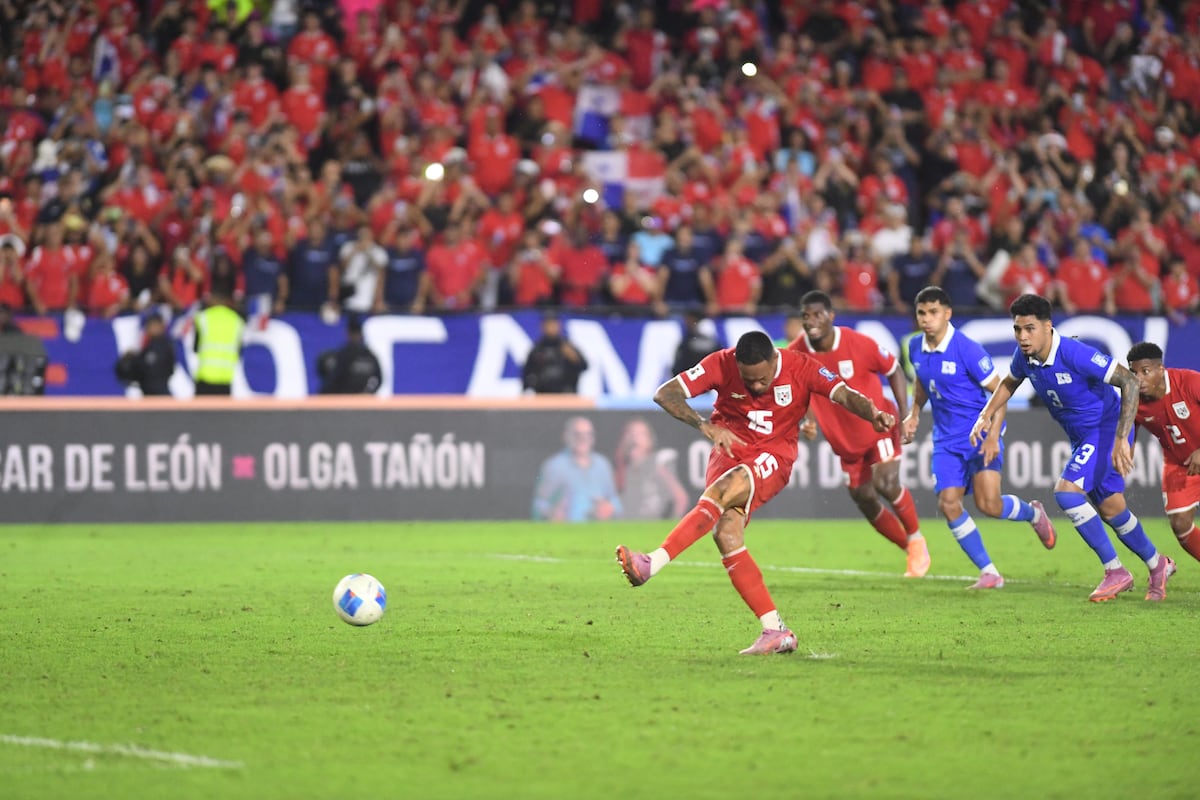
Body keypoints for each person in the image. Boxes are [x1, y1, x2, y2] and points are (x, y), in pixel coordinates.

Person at [615, 331, 896, 655]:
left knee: (723, 491)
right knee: (726, 534)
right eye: (749, 381)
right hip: (728, 452)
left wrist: (873, 413)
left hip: (774, 454)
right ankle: (776, 630)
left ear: (775, 359)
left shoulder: (802, 367)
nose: (757, 387)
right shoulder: (721, 362)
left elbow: (844, 394)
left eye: (763, 379)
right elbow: (665, 394)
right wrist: (704, 425)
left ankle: (651, 563)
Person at [971, 295, 1176, 602]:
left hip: (1105, 430)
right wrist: (986, 414)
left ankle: (1115, 571)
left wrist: (1122, 437)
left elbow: (1129, 382)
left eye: (1029, 329)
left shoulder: (1074, 353)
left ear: (1048, 326)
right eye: (1017, 329)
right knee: (1112, 509)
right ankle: (1158, 564)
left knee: (1067, 492)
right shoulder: (1024, 357)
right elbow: (1010, 382)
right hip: (1081, 437)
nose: (1023, 337)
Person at [902, 286, 1057, 589]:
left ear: (947, 314)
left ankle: (1032, 513)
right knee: (949, 503)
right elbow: (921, 381)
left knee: (989, 505)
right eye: (921, 313)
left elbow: (1001, 391)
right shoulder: (915, 346)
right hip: (945, 441)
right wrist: (914, 413)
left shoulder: (967, 349)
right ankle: (989, 572)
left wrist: (992, 436)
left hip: (978, 435)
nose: (926, 319)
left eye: (933, 312)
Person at [789, 290, 930, 577]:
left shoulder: (857, 343)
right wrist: (808, 420)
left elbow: (893, 369)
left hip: (879, 426)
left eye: (817, 315)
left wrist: (905, 414)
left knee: (886, 483)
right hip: (845, 442)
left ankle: (916, 539)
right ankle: (910, 548)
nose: (811, 321)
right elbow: (800, 389)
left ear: (831, 316)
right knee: (863, 497)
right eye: (806, 316)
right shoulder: (796, 353)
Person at [1127, 342, 1200, 563]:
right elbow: (1127, 437)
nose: (1138, 379)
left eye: (1145, 371)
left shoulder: (1189, 382)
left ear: (1161, 369)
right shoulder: (1133, 400)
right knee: (1180, 524)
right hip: (1179, 464)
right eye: (1133, 373)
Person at [531, 416, 622, 522]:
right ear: (566, 436)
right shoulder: (554, 466)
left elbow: (615, 501)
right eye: (577, 434)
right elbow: (538, 504)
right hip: (567, 530)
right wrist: (551, 513)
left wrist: (609, 508)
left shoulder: (602, 465)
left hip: (597, 530)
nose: (583, 439)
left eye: (588, 434)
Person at [614, 417, 688, 520]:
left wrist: (674, 523)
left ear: (650, 440)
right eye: (631, 433)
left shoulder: (658, 463)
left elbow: (681, 498)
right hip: (629, 523)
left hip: (652, 521)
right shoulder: (622, 468)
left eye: (640, 434)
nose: (634, 438)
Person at [192, 283, 245, 396]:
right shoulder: (237, 320)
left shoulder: (203, 317)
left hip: (205, 377)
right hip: (226, 378)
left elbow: (195, 348)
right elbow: (240, 350)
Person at [521, 312, 588, 394]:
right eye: (548, 324)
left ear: (559, 326)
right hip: (543, 395)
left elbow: (585, 366)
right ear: (542, 327)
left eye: (553, 324)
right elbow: (526, 374)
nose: (551, 328)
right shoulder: (537, 349)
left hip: (566, 394)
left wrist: (574, 357)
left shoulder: (567, 346)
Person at [317, 315, 382, 394]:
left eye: (356, 334)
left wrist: (367, 392)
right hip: (347, 397)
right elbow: (334, 379)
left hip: (354, 398)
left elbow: (378, 379)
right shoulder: (344, 354)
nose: (355, 337)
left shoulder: (368, 355)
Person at [115, 313, 176, 396]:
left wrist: (134, 361)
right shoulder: (149, 346)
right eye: (150, 325)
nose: (151, 328)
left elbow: (149, 368)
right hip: (148, 394)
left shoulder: (162, 346)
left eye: (154, 325)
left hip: (159, 394)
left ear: (161, 326)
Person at [671, 308, 721, 376]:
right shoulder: (714, 342)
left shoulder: (687, 342)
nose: (686, 322)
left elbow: (678, 367)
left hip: (693, 378)